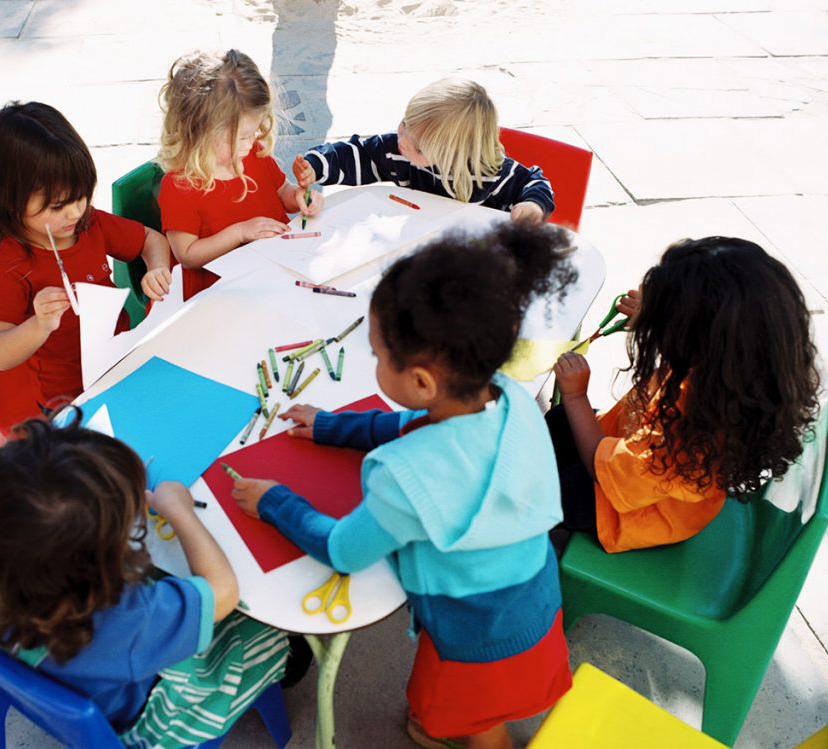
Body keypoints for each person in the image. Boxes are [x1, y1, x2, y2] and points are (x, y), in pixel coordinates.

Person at [232, 223, 578, 749]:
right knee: (472, 705)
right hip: (532, 600)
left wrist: (274, 501)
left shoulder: (405, 477)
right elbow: (412, 426)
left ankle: (444, 732)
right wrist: (332, 426)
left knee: (462, 719)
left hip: (472, 638)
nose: (372, 363)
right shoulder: (507, 397)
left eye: (376, 355)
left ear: (420, 382)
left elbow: (344, 549)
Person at [0, 414, 288, 749]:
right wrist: (179, 512)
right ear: (96, 572)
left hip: (64, 675)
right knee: (264, 628)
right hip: (149, 715)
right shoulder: (124, 621)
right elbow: (223, 593)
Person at [550, 236, 822, 553]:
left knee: (541, 493)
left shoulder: (686, 423)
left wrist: (575, 397)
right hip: (645, 473)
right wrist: (656, 319)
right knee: (556, 424)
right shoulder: (733, 373)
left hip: (629, 510)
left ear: (691, 336)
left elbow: (602, 474)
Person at [0, 101, 173, 409]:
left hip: (122, 360)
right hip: (68, 399)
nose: (75, 212)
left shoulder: (89, 223)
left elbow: (151, 239)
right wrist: (39, 324)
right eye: (58, 206)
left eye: (81, 196)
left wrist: (157, 269)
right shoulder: (8, 266)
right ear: (10, 201)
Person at [157, 49, 322, 300]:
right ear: (199, 131)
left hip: (274, 268)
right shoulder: (180, 185)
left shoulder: (253, 153)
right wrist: (239, 232)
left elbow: (280, 192)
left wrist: (299, 197)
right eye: (241, 137)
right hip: (221, 292)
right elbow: (188, 255)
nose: (250, 143)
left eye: (254, 132)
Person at [292, 78, 553, 223]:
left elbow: (534, 182)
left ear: (453, 156)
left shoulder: (489, 172)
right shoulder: (399, 151)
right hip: (420, 249)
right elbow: (359, 154)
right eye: (405, 124)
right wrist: (317, 165)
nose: (402, 140)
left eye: (418, 146)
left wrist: (532, 205)